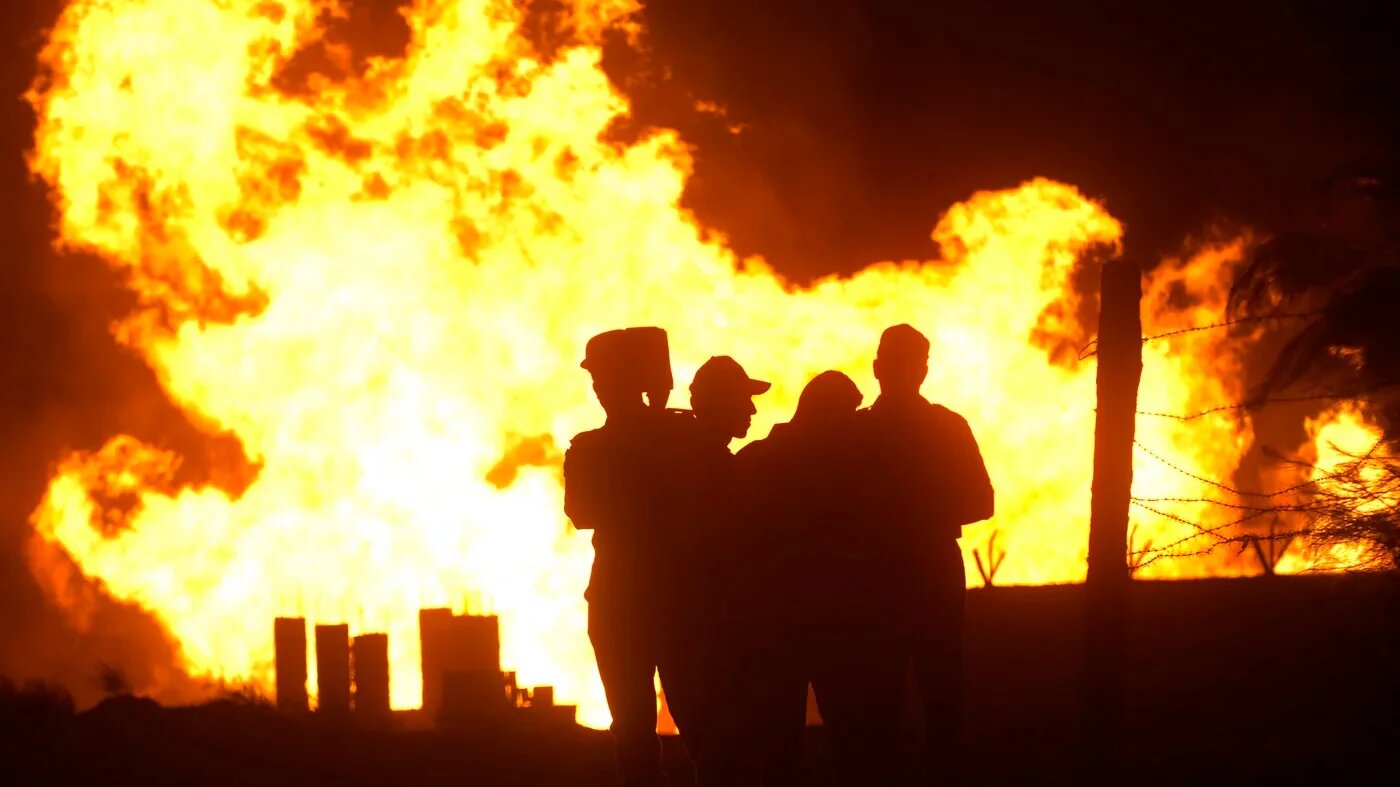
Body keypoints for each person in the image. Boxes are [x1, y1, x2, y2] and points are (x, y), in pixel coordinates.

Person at [737, 370, 907, 787]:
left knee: (784, 745)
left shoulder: (759, 460)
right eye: (848, 412)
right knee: (847, 742)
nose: (855, 421)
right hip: (828, 624)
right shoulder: (853, 471)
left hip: (783, 624)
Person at [860, 324, 994, 786]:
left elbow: (983, 501)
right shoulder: (945, 427)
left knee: (887, 700)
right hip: (924, 570)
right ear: (923, 370)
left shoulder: (858, 433)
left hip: (883, 575)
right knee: (934, 697)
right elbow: (981, 501)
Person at [564, 327, 690, 787]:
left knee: (670, 720)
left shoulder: (594, 448)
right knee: (652, 725)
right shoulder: (682, 437)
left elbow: (583, 510)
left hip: (640, 602)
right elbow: (581, 513)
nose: (598, 389)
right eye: (598, 380)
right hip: (654, 601)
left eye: (605, 379)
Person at [669, 355, 770, 787]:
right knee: (725, 755)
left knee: (716, 753)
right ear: (717, 403)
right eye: (743, 400)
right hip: (712, 638)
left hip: (692, 634)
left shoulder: (690, 461)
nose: (751, 410)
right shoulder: (712, 471)